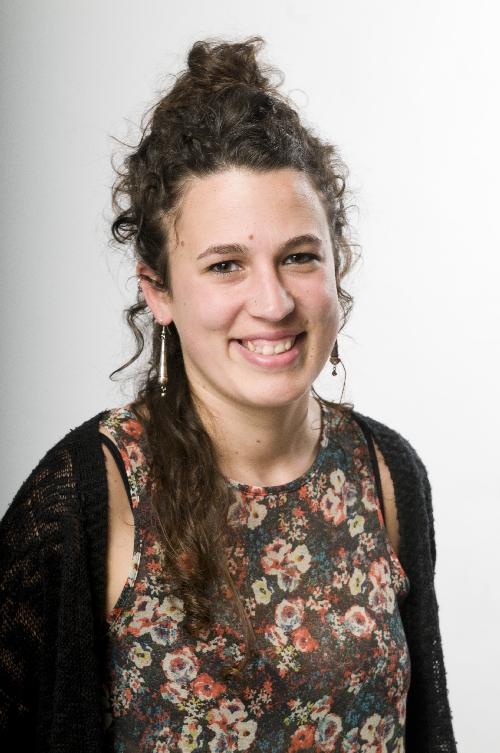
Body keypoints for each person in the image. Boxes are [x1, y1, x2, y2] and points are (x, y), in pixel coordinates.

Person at [0, 37, 456, 753]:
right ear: (158, 290)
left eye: (299, 257)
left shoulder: (387, 473)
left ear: (337, 265)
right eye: (225, 265)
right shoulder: (88, 495)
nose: (273, 302)